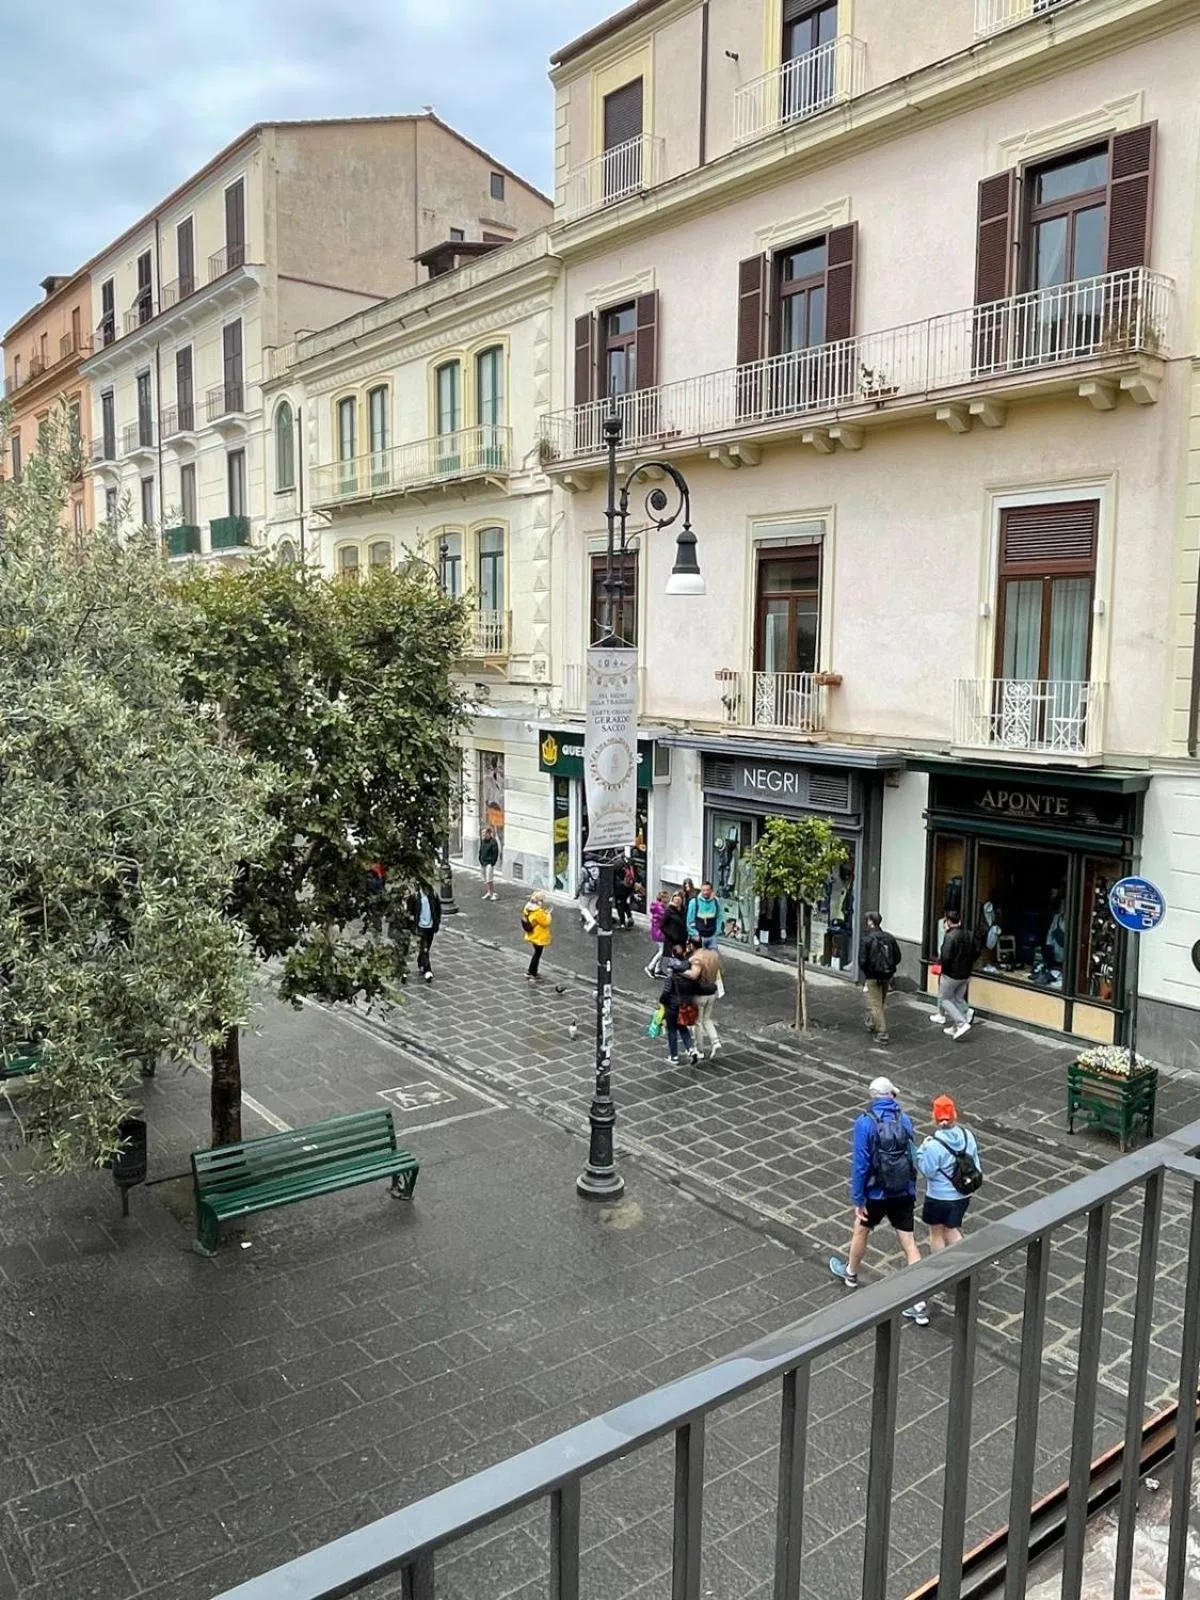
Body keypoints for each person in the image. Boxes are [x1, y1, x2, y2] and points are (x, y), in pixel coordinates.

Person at [829, 1076, 928, 1325]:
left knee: (861, 1231)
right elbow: (912, 1155)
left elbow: (861, 1163)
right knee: (909, 1242)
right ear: (891, 1096)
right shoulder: (905, 1119)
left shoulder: (865, 1123)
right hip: (902, 1190)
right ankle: (920, 1303)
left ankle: (850, 1273)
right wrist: (911, 1187)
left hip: (876, 1193)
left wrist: (858, 1197)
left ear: (872, 1097)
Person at [917, 1095, 982, 1252]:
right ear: (955, 1115)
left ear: (934, 1118)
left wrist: (920, 1152)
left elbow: (927, 1171)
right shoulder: (968, 1136)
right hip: (962, 1194)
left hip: (939, 1196)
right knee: (951, 1229)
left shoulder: (933, 1145)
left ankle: (941, 1269)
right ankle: (963, 1263)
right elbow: (976, 1163)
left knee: (936, 1233)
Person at [932, 909, 977, 1041]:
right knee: (958, 999)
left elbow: (946, 956)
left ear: (948, 922)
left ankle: (961, 1023)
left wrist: (943, 968)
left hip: (952, 974)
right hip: (966, 973)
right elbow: (975, 952)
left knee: (944, 999)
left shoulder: (950, 936)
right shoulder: (968, 934)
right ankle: (957, 1026)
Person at [859, 912, 902, 1046]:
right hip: (886, 975)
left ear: (871, 922)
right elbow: (898, 956)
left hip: (873, 975)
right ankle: (872, 1022)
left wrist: (867, 973)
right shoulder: (889, 938)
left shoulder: (866, 939)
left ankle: (882, 1033)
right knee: (880, 1001)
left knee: (875, 1004)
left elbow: (862, 960)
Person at [660, 942, 699, 1065]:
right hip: (684, 1004)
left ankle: (674, 1056)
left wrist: (662, 1002)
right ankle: (691, 1049)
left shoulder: (672, 976)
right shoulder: (689, 972)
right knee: (682, 1027)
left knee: (671, 1030)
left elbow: (666, 992)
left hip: (672, 1004)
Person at [685, 936, 722, 1058]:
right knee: (707, 1019)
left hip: (700, 994)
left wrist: (682, 972)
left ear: (691, 945)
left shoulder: (696, 958)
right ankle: (715, 1042)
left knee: (698, 1022)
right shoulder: (712, 955)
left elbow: (694, 974)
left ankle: (699, 1050)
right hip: (712, 991)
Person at [406, 883, 442, 984]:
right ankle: (428, 970)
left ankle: (420, 962)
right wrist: (412, 924)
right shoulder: (415, 897)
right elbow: (409, 911)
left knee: (426, 948)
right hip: (420, 927)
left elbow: (438, 910)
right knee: (424, 948)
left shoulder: (433, 895)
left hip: (430, 927)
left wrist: (437, 922)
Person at [522, 890, 552, 983]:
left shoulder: (528, 908)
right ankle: (532, 973)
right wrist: (548, 915)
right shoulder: (538, 911)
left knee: (536, 953)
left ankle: (530, 972)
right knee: (537, 955)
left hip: (532, 934)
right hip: (538, 936)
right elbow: (546, 922)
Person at [688, 881, 721, 949]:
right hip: (699, 937)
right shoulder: (694, 902)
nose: (705, 892)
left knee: (712, 958)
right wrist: (695, 934)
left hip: (712, 937)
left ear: (711, 890)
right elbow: (689, 921)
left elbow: (719, 917)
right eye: (703, 890)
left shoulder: (716, 902)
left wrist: (717, 932)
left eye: (707, 890)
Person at [646, 888, 668, 979]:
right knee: (662, 951)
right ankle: (650, 967)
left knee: (661, 950)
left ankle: (657, 969)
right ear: (662, 898)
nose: (667, 899)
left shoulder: (659, 907)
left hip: (658, 932)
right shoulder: (660, 908)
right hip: (660, 933)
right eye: (666, 898)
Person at [613, 856, 636, 931]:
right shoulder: (629, 864)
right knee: (625, 903)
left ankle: (622, 923)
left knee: (619, 906)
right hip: (628, 888)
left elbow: (613, 877)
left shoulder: (617, 864)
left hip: (619, 889)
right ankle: (629, 917)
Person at [577, 860, 599, 933]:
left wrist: (577, 891)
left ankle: (590, 921)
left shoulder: (584, 869)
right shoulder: (597, 867)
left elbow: (580, 881)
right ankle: (592, 921)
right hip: (596, 891)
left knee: (583, 907)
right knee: (592, 907)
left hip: (586, 891)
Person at [478, 827, 500, 901]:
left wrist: (492, 862)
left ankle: (492, 893)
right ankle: (488, 892)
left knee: (489, 879)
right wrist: (480, 859)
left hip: (489, 863)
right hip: (483, 863)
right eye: (482, 833)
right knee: (485, 879)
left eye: (484, 833)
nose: (483, 835)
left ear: (488, 833)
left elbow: (495, 853)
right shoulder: (483, 841)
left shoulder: (493, 842)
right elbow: (480, 851)